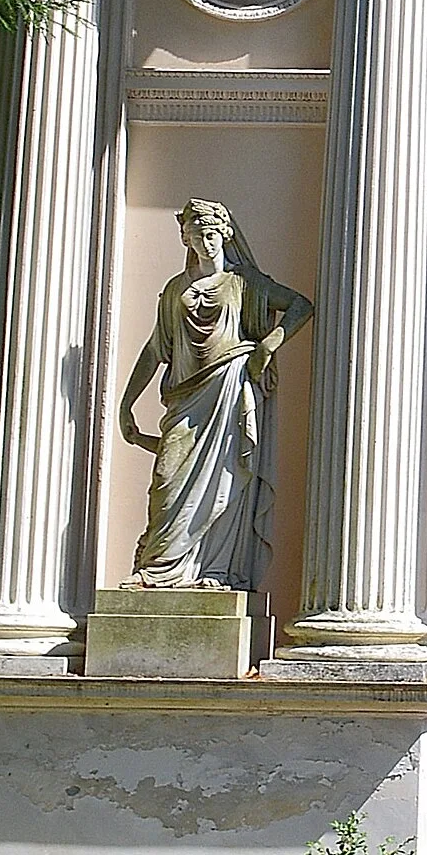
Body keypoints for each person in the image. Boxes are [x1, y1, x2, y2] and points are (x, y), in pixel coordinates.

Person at [119, 201, 312, 594]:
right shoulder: (176, 290)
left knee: (227, 479)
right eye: (195, 237)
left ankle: (217, 569)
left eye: (210, 235)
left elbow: (300, 305)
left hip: (229, 389)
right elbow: (157, 349)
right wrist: (127, 402)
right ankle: (159, 569)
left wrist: (269, 344)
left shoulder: (245, 283)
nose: (204, 244)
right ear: (185, 240)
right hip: (185, 399)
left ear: (224, 235)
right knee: (166, 480)